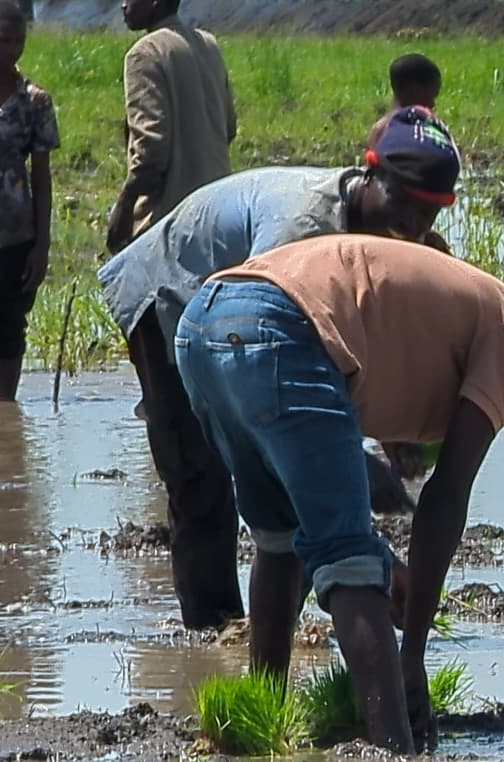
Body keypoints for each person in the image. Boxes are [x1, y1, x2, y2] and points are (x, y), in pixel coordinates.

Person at [173, 234, 504, 751]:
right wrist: (413, 655)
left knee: (278, 537)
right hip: (283, 325)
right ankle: (394, 755)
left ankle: (263, 714)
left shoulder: (458, 317)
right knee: (349, 558)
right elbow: (446, 494)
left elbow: (365, 341)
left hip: (204, 324)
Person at [99, 110, 461, 629]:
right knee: (200, 474)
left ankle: (270, 632)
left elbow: (358, 342)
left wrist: (391, 432)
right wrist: (351, 464)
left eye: (431, 212)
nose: (414, 223)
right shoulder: (303, 226)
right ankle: (214, 630)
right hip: (170, 294)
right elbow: (268, 357)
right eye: (404, 200)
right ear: (371, 171)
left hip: (245, 317)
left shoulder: (395, 240)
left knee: (290, 472)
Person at [105, 0, 235, 255]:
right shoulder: (208, 45)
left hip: (170, 223)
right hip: (220, 213)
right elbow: (228, 127)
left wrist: (124, 208)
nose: (123, 5)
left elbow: (151, 151)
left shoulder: (145, 53)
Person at [0, 4, 54, 399]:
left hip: (16, 235)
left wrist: (42, 243)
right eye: (2, 40)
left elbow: (41, 173)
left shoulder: (34, 101)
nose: (10, 50)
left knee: (9, 327)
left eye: (17, 40)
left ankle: (6, 410)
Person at [366, 53, 441, 149]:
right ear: (414, 92)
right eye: (431, 96)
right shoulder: (428, 128)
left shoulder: (379, 130)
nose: (433, 104)